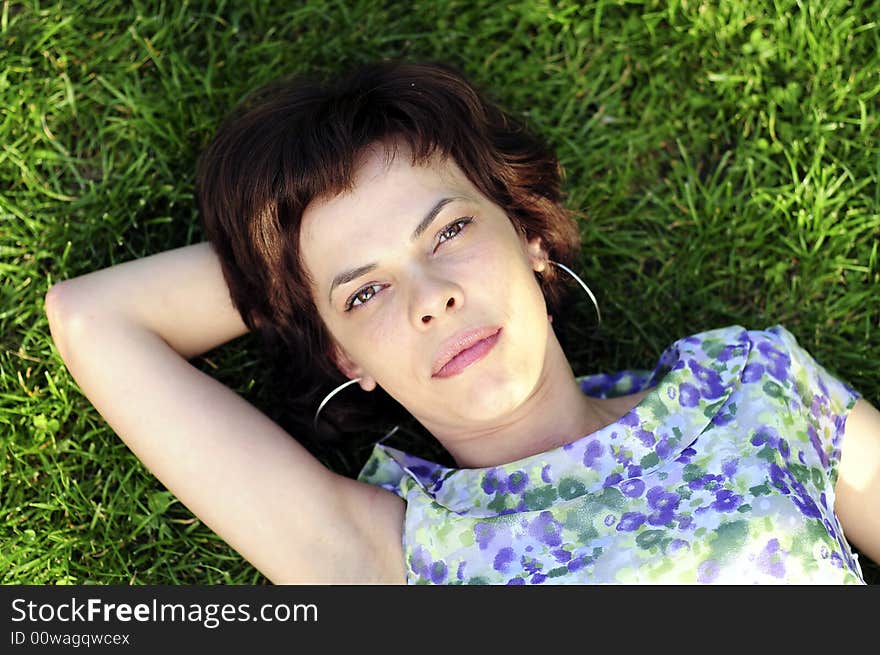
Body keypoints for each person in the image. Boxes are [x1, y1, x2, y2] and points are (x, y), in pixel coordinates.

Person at [44, 60, 880, 585]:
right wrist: (289, 265)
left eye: (447, 231)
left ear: (532, 239)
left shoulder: (751, 385)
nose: (430, 297)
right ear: (344, 353)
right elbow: (94, 318)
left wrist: (335, 259)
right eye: (365, 293)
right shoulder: (389, 555)